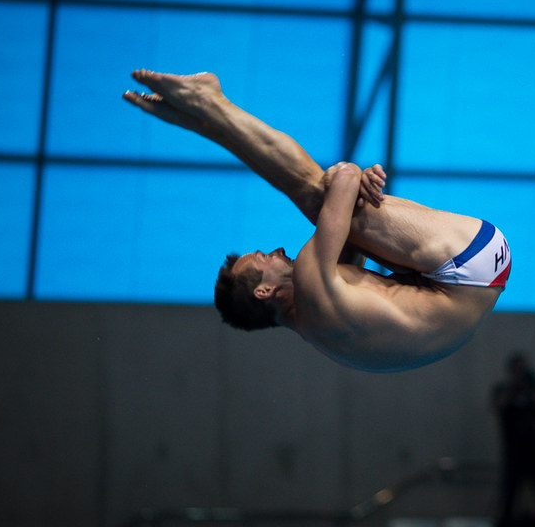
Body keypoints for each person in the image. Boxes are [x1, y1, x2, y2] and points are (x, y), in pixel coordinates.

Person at [123, 70, 510, 373]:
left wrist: (357, 186)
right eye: (263, 258)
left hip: (474, 282)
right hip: (468, 263)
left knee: (330, 206)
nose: (276, 250)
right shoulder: (312, 284)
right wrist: (352, 178)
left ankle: (204, 116)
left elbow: (354, 233)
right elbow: (342, 177)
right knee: (315, 189)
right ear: (264, 292)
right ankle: (209, 104)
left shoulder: (318, 327)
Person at [491, 353, 535, 518]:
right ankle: (506, 526)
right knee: (510, 493)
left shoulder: (534, 387)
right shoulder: (502, 389)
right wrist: (512, 387)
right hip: (514, 450)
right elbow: (498, 407)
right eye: (517, 368)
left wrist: (530, 386)